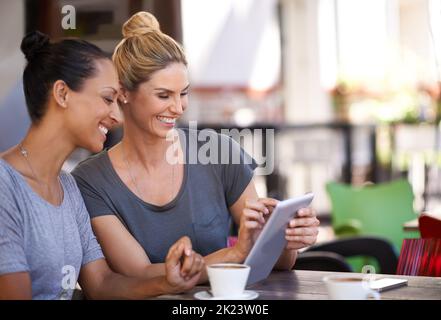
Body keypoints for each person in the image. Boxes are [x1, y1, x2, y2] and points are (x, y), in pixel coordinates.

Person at [72, 11, 320, 282]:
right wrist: (233, 255)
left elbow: (275, 262)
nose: (178, 108)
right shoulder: (91, 181)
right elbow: (139, 274)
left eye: (184, 93)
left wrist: (286, 238)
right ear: (124, 93)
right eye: (163, 95)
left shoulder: (219, 152)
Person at [0, 31, 204, 300]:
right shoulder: (5, 186)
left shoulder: (68, 186)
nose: (117, 116)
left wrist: (168, 283)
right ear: (62, 93)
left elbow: (101, 283)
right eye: (108, 99)